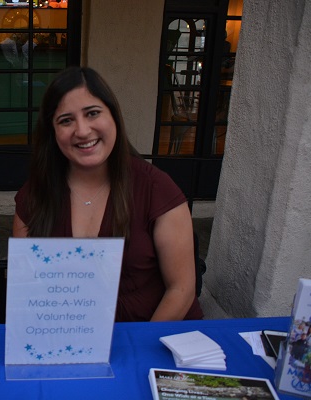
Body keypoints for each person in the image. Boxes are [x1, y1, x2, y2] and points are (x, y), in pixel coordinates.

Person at [13, 66, 203, 322]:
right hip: (71, 340)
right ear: (52, 132)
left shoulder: (156, 188)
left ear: (113, 116)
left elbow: (181, 290)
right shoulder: (34, 197)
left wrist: (140, 350)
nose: (82, 131)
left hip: (153, 337)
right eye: (66, 120)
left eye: (92, 113)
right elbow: (30, 291)